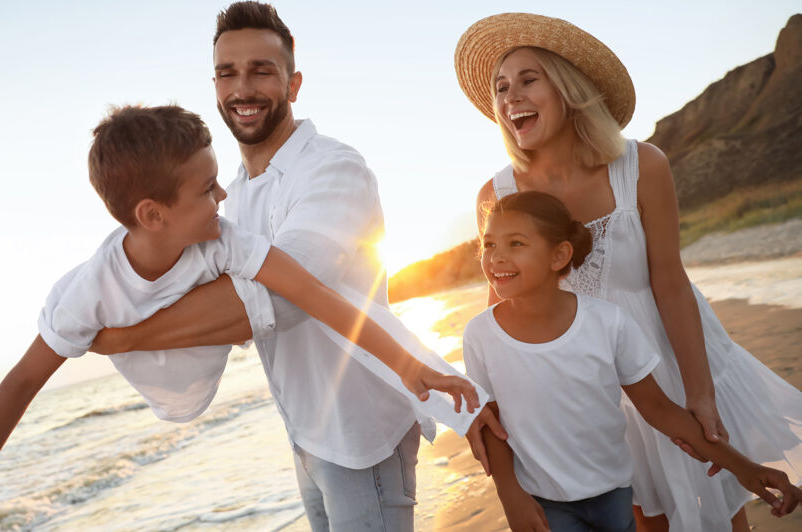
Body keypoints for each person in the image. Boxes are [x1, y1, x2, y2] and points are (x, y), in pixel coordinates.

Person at [0, 104, 482, 532]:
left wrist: (411, 368)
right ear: (152, 214)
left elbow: (313, 294)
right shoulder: (87, 295)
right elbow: (23, 380)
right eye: (205, 188)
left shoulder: (220, 240)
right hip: (168, 395)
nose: (223, 193)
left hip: (258, 388)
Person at [87, 3, 506, 530]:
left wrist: (125, 337)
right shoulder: (229, 198)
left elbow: (275, 300)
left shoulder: (333, 169)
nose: (242, 88)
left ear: (293, 83)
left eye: (261, 70)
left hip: (360, 432)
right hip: (303, 430)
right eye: (227, 72)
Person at [455, 12, 802, 531]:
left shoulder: (642, 164)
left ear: (568, 88)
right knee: (643, 518)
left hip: (674, 355)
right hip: (588, 383)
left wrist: (699, 393)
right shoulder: (498, 194)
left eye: (529, 80)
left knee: (724, 513)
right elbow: (506, 318)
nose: (510, 98)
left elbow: (670, 281)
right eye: (501, 88)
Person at [465, 190, 800, 531]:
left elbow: (659, 408)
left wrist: (744, 467)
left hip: (615, 493)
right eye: (489, 244)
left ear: (559, 255)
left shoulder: (607, 323)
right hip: (543, 501)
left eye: (516, 244)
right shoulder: (480, 335)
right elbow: (491, 424)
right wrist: (510, 495)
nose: (496, 257)